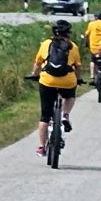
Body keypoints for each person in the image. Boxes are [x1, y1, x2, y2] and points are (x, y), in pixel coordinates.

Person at [31, 20, 82, 156]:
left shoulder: (46, 44)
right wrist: (79, 78)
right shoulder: (73, 46)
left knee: (45, 117)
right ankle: (65, 114)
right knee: (70, 96)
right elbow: (77, 67)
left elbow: (38, 64)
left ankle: (42, 147)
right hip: (67, 81)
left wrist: (34, 75)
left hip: (47, 81)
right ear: (68, 33)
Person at [83, 11, 101, 83]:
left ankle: (92, 76)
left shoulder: (91, 24)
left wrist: (86, 44)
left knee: (92, 61)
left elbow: (86, 35)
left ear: (96, 17)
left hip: (94, 48)